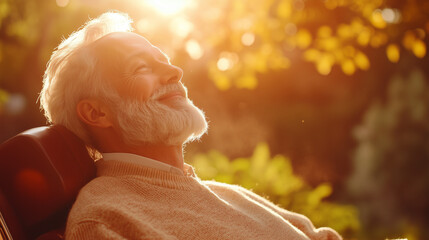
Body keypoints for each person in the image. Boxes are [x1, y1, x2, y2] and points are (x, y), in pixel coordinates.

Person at [39, 11, 342, 240]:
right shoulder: (103, 219)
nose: (175, 71)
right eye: (141, 67)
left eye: (166, 61)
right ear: (96, 112)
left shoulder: (229, 195)